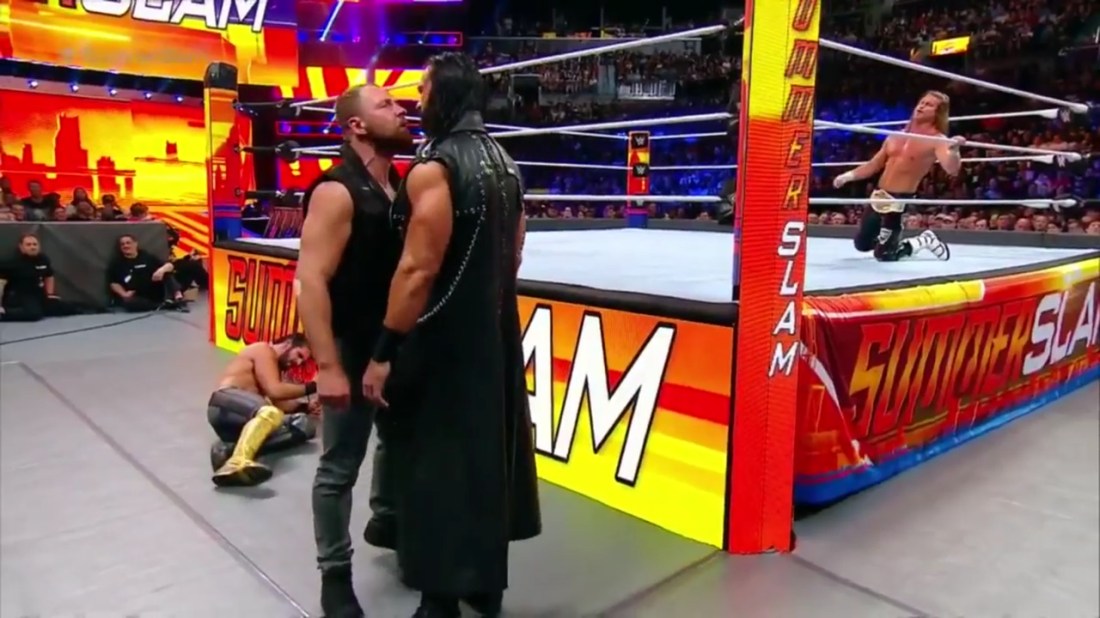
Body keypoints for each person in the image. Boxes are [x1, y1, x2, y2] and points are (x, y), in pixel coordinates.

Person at [361, 51, 541, 618]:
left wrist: (385, 350)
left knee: (435, 465)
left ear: (446, 95)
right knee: (485, 458)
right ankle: (484, 587)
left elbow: (418, 269)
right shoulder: (505, 162)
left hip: (440, 340)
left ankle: (439, 599)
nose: (416, 100)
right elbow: (515, 252)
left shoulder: (435, 168)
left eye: (423, 89)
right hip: (493, 334)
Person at [296, 82, 414, 617]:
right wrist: (327, 365)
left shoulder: (399, 187)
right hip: (350, 347)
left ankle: (387, 519)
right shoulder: (337, 191)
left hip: (393, 347)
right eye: (386, 104)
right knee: (339, 465)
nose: (401, 108)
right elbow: (310, 281)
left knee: (400, 444)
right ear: (357, 125)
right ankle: (334, 575)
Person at [832, 90, 957, 262]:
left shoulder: (938, 140)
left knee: (884, 256)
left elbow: (951, 169)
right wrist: (847, 176)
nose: (921, 106)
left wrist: (954, 152)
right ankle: (889, 242)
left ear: (938, 112)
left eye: (929, 105)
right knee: (862, 244)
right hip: (879, 195)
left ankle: (923, 241)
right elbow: (874, 165)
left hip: (899, 200)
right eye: (921, 102)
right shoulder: (896, 136)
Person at [208, 334, 319, 486]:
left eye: (302, 361)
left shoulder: (272, 370)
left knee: (303, 425)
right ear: (288, 344)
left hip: (243, 417)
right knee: (271, 413)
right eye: (299, 355)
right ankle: (237, 461)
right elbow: (275, 391)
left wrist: (305, 407)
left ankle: (229, 450)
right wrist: (313, 386)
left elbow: (280, 404)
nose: (298, 363)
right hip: (225, 403)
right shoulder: (264, 350)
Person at [0, 233, 82, 321]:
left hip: (39, 294)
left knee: (66, 308)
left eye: (35, 244)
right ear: (21, 247)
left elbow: (49, 276)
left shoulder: (43, 259)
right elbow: (1, 284)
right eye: (28, 245)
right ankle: (3, 314)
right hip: (20, 295)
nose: (32, 247)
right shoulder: (11, 263)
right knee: (34, 314)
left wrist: (50, 294)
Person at [107, 234, 188, 311]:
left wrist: (161, 270)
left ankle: (178, 298)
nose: (125, 246)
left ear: (135, 244)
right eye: (122, 244)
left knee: (166, 272)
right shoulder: (117, 263)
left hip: (154, 288)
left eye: (128, 243)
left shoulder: (146, 256)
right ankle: (165, 305)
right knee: (130, 304)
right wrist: (124, 294)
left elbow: (169, 265)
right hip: (138, 294)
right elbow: (114, 283)